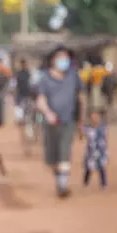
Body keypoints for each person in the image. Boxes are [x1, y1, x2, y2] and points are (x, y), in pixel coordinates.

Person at [36, 45, 86, 198]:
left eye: (66, 57)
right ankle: (59, 178)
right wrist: (48, 113)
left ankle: (63, 184)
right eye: (60, 57)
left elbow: (82, 96)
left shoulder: (73, 76)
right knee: (52, 159)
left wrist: (82, 119)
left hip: (67, 120)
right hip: (51, 123)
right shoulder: (45, 78)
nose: (63, 60)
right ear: (52, 60)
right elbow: (41, 100)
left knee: (65, 152)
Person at [83, 110, 108, 189]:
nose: (95, 119)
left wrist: (106, 150)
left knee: (101, 167)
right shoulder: (87, 128)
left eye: (97, 117)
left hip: (100, 150)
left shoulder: (103, 127)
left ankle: (103, 184)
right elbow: (81, 134)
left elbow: (105, 138)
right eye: (93, 118)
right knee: (89, 168)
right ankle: (86, 182)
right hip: (91, 151)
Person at [14, 59, 32, 125]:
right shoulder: (19, 73)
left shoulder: (27, 72)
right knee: (19, 106)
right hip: (20, 92)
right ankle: (20, 120)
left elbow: (30, 82)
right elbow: (15, 83)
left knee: (26, 106)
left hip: (26, 92)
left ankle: (25, 119)